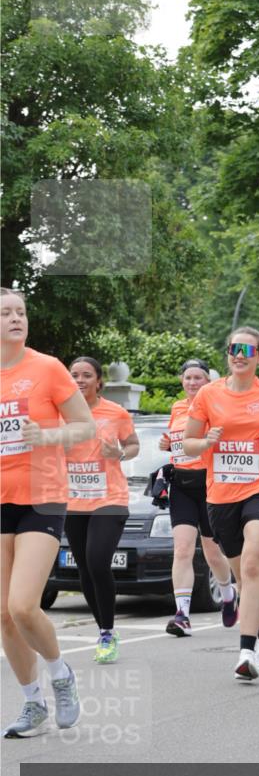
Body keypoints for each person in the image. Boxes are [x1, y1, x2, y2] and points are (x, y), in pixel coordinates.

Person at [1, 288, 94, 737]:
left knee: (22, 604)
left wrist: (47, 438)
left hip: (41, 495)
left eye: (20, 311)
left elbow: (84, 426)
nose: (16, 318)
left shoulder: (47, 368)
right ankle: (32, 703)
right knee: (2, 613)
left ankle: (60, 674)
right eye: (6, 313)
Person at [183, 327, 259, 680]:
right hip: (220, 495)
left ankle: (247, 650)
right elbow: (187, 443)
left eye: (247, 350)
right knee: (242, 574)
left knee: (252, 566)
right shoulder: (207, 394)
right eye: (234, 348)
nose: (239, 355)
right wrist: (204, 443)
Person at [65, 357, 140, 663]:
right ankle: (103, 629)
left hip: (110, 498)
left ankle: (108, 633)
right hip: (73, 500)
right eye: (74, 375)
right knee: (83, 568)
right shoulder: (60, 413)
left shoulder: (115, 412)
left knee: (97, 561)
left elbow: (133, 444)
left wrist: (120, 452)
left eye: (86, 375)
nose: (79, 380)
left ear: (98, 381)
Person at [160, 359, 237, 637]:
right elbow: (177, 440)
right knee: (181, 549)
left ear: (208, 382)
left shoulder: (216, 407)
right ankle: (182, 615)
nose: (192, 383)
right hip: (181, 484)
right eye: (188, 378)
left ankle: (228, 594)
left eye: (198, 378)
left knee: (212, 551)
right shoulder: (177, 407)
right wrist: (167, 443)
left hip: (208, 483)